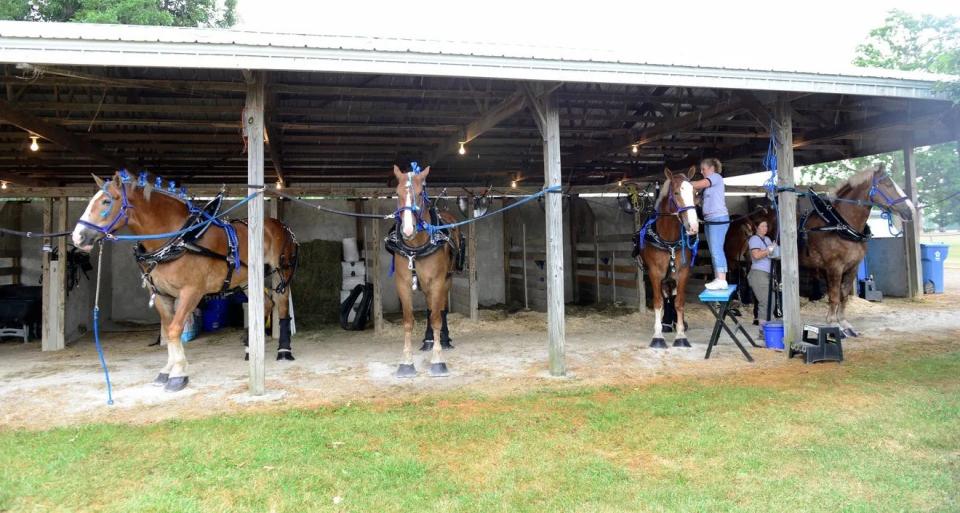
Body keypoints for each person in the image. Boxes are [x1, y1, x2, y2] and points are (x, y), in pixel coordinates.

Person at [692, 158, 729, 290]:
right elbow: (696, 201)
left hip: (718, 218)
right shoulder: (705, 188)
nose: (702, 171)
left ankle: (722, 279)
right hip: (709, 220)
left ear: (712, 168)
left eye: (704, 169)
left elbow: (699, 184)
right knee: (714, 250)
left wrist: (684, 184)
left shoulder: (716, 177)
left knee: (716, 249)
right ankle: (718, 277)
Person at [748, 220, 779, 338]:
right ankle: (762, 331)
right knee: (765, 302)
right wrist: (769, 250)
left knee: (771, 301)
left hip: (769, 273)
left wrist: (775, 250)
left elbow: (772, 255)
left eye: (766, 225)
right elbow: (756, 255)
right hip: (758, 273)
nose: (765, 228)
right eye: (762, 226)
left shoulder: (767, 240)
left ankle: (769, 328)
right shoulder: (754, 239)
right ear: (756, 227)